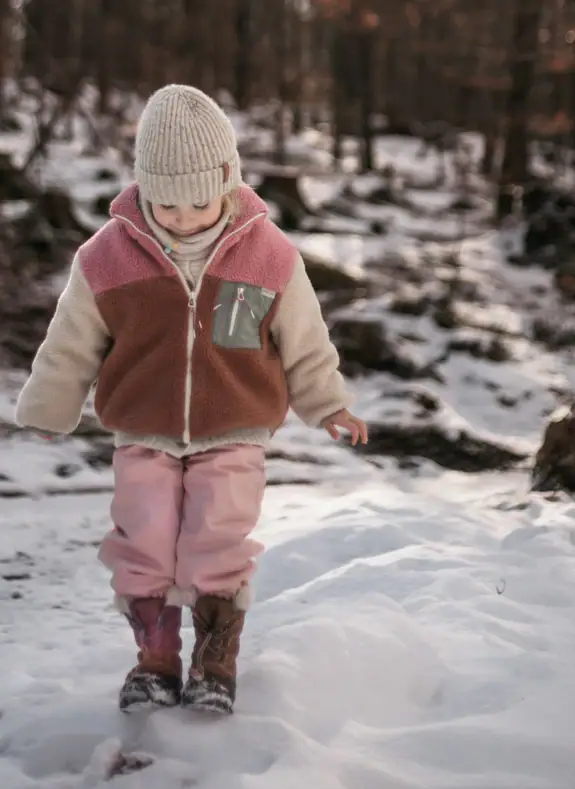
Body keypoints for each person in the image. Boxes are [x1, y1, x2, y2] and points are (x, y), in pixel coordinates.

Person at [14, 84, 368, 715]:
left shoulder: (270, 258)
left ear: (229, 181)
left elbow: (306, 344)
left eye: (199, 203)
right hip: (142, 429)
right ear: (142, 187)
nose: (180, 217)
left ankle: (214, 660)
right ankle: (154, 659)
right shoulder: (106, 258)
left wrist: (328, 405)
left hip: (235, 428)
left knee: (217, 539)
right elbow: (71, 342)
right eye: (164, 203)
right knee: (143, 538)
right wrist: (50, 406)